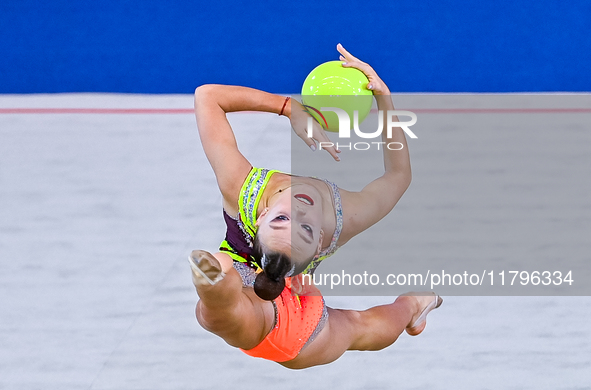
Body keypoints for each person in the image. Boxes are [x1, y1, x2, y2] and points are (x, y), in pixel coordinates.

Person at [189, 44, 442, 369]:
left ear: (263, 216)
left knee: (357, 326)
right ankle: (214, 286)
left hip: (276, 292)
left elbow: (207, 96)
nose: (300, 210)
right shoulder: (342, 218)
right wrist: (384, 103)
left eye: (286, 220)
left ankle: (412, 306)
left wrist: (288, 107)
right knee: (223, 311)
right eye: (303, 226)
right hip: (273, 321)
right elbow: (398, 174)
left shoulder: (242, 189)